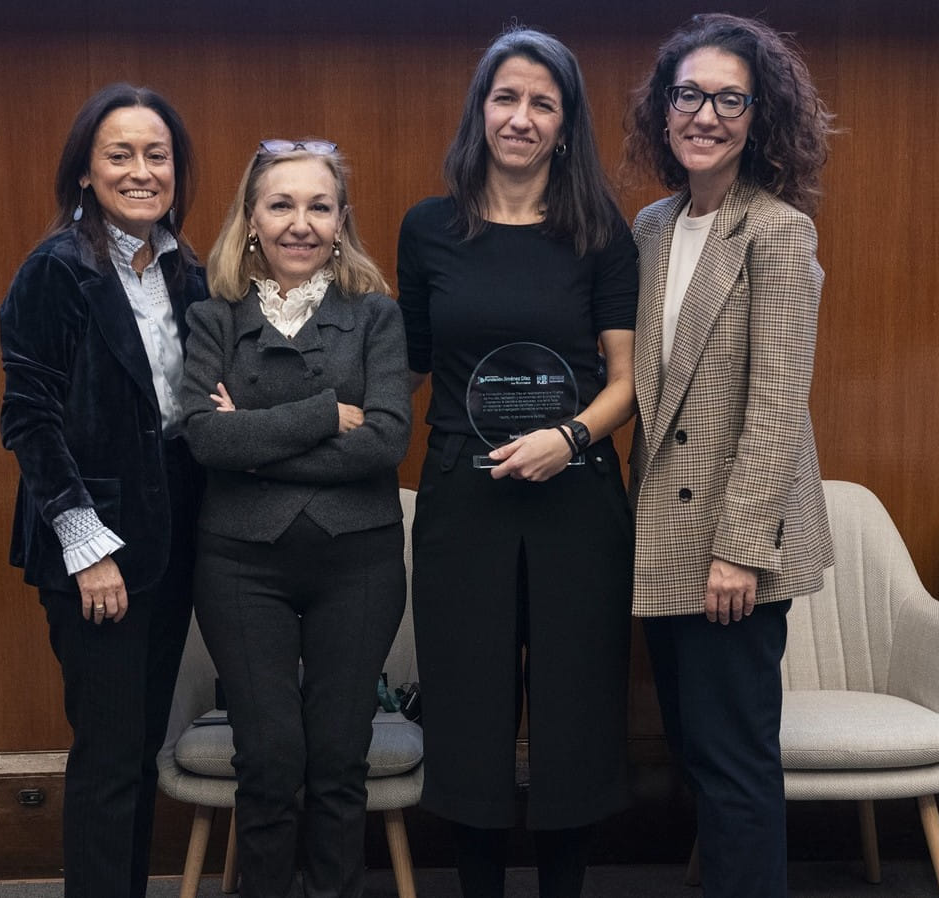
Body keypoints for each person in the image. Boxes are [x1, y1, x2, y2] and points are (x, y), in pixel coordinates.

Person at [397, 27, 637, 898]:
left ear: (565, 124)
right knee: (468, 713)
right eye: (507, 98)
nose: (522, 118)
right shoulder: (428, 230)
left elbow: (626, 380)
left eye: (543, 103)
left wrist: (569, 437)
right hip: (465, 496)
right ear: (480, 110)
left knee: (575, 711)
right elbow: (408, 369)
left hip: (577, 495)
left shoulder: (602, 231)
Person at [623, 13, 838, 898]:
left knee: (736, 765)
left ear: (761, 116)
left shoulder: (779, 232)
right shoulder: (650, 226)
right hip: (661, 538)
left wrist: (740, 549)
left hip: (730, 551)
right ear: (663, 109)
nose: (704, 115)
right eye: (689, 94)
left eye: (729, 99)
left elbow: (779, 403)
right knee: (697, 758)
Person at [178, 139, 410, 898]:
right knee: (272, 761)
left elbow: (385, 441)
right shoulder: (212, 317)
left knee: (339, 761)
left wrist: (254, 442)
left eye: (319, 205)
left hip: (360, 562)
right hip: (241, 565)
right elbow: (204, 437)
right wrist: (322, 415)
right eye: (281, 204)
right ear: (251, 219)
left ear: (342, 220)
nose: (300, 223)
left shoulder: (377, 315)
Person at [0, 83, 204, 898]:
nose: (142, 171)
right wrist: (89, 551)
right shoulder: (55, 270)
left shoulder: (184, 271)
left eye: (157, 155)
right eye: (121, 154)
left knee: (139, 751)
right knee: (109, 761)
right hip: (96, 554)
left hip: (172, 540)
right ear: (86, 171)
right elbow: (29, 423)